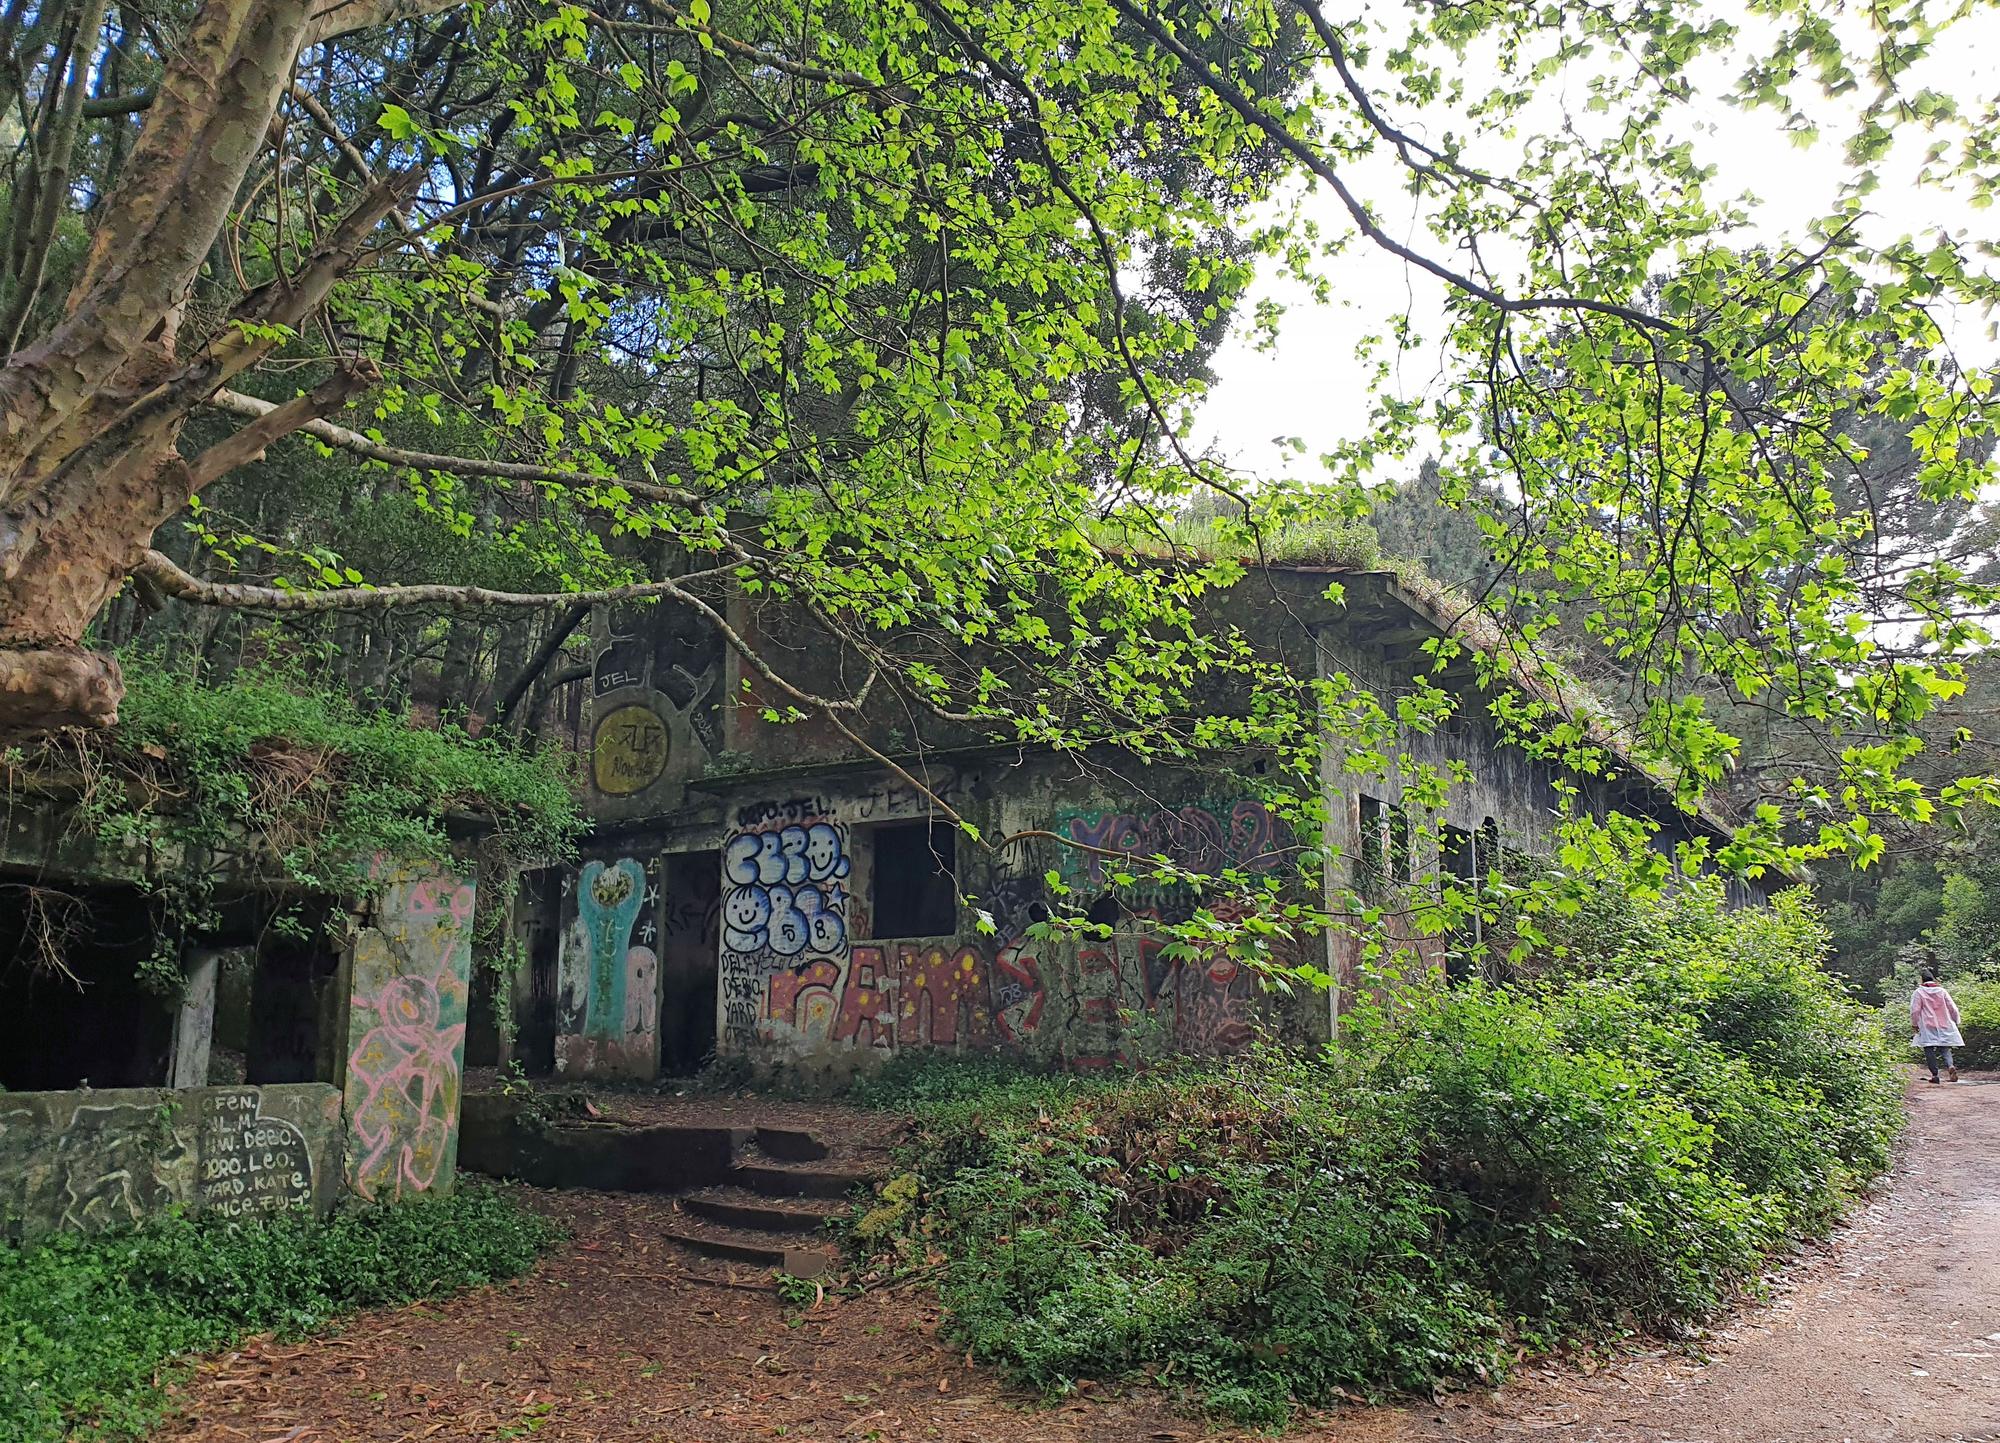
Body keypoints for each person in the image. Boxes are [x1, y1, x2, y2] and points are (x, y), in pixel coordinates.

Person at [1911, 969, 1965, 1085]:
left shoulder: (1919, 992)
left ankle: (1935, 1075)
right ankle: (1950, 1066)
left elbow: (1915, 1010)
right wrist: (1956, 1021)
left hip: (1927, 1025)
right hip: (1944, 1024)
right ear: (1934, 979)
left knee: (1928, 1049)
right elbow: (1953, 1008)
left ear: (1922, 980)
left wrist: (1914, 1024)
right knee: (1945, 1048)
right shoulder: (1942, 991)